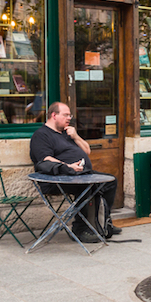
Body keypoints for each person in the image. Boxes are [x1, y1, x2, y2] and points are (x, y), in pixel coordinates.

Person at [29, 103, 121, 242]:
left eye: (69, 115)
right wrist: (68, 166)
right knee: (85, 186)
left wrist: (76, 136)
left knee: (110, 181)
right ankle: (80, 229)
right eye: (65, 115)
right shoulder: (41, 135)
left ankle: (104, 222)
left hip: (79, 174)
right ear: (54, 115)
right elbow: (45, 159)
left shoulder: (66, 133)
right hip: (57, 179)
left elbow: (87, 151)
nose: (69, 118)